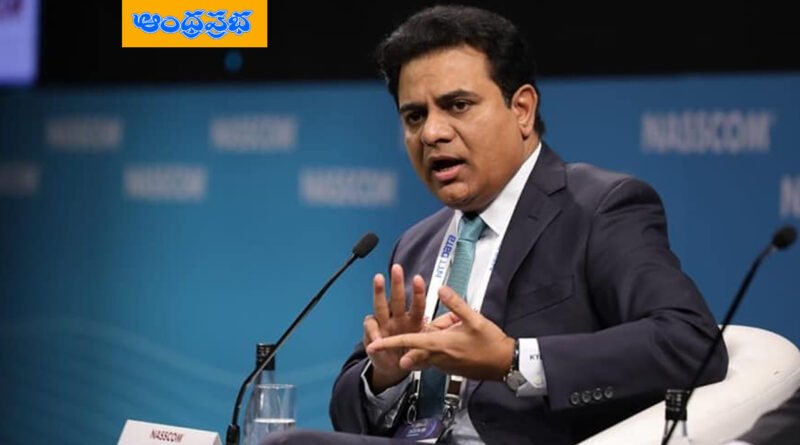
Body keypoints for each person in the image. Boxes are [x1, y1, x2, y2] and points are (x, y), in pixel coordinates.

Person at [264, 5, 728, 445]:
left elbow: (690, 343)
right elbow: (348, 417)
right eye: (415, 116)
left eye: (458, 105)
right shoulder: (418, 244)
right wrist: (386, 376)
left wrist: (513, 359)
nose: (432, 133)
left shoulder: (599, 208)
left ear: (521, 109)